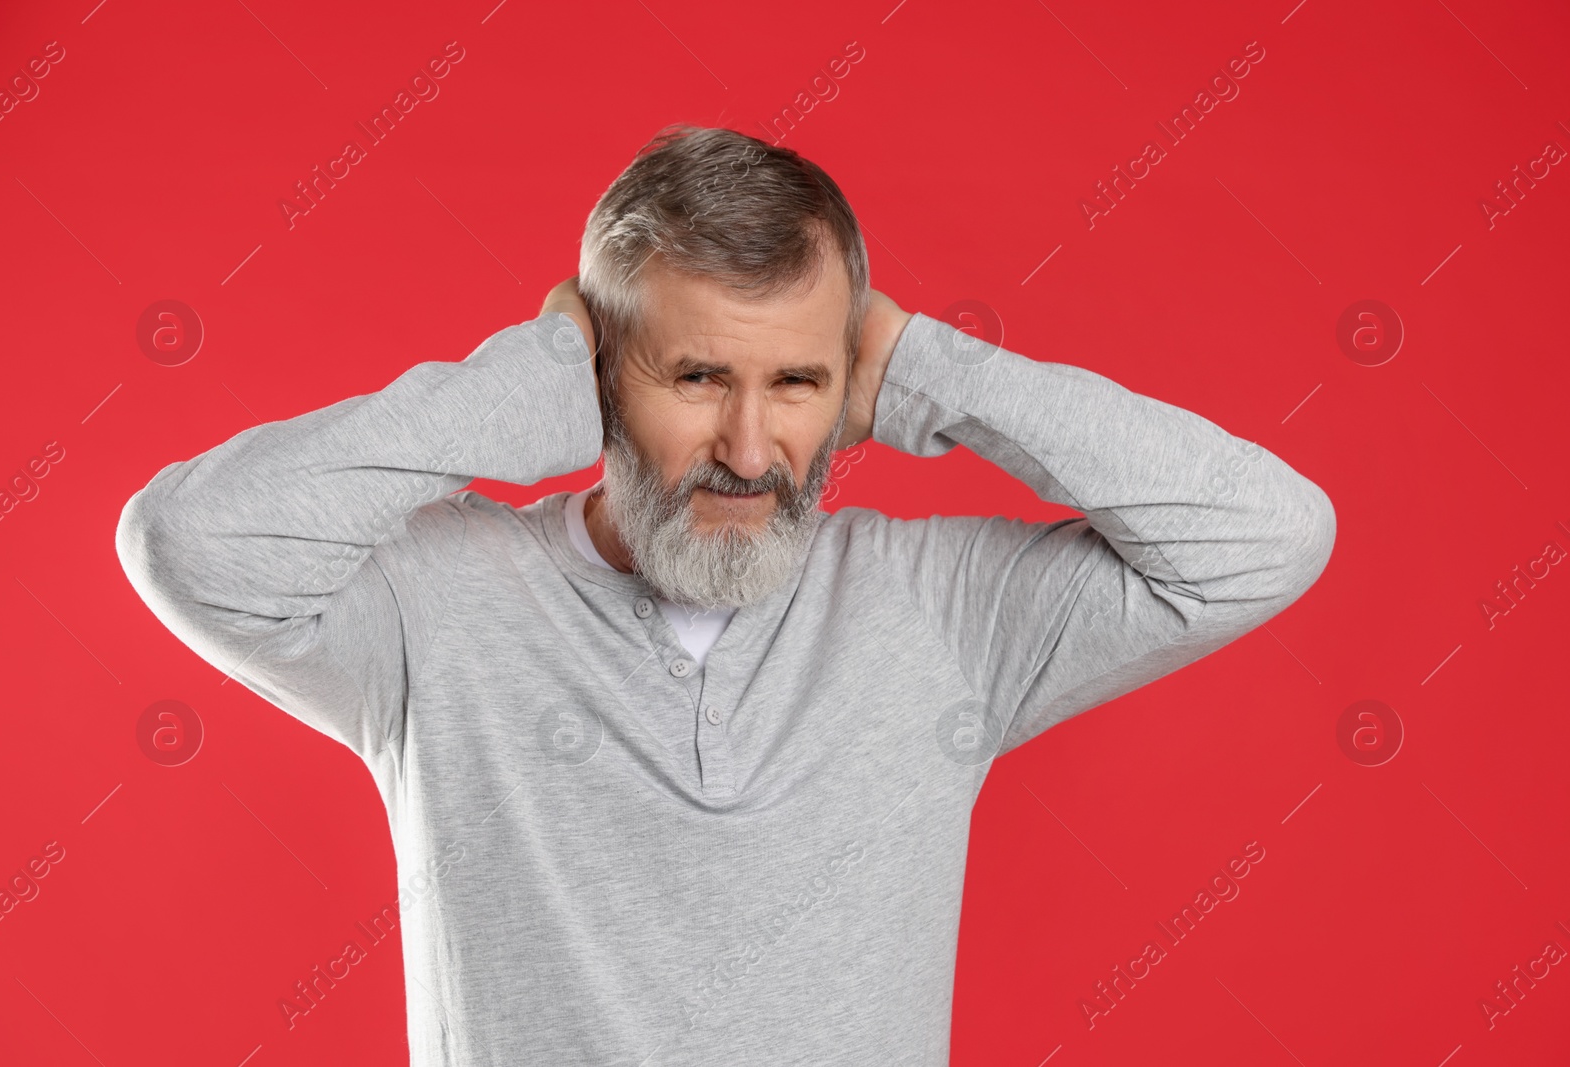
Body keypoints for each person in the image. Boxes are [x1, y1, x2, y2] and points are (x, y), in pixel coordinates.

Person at [115, 124, 1335, 1066]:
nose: (750, 448)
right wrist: (521, 382)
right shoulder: (435, 606)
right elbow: (192, 542)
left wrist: (928, 369)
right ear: (600, 369)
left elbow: (1264, 535)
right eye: (697, 375)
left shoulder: (943, 613)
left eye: (798, 381)